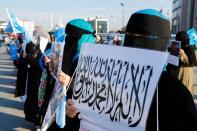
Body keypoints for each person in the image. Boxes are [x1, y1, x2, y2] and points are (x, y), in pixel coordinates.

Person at [123, 9, 197, 131]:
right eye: (132, 36)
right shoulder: (177, 93)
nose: (136, 42)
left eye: (141, 37)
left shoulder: (109, 75)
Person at [47, 19, 96, 131]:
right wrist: (51, 67)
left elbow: (94, 87)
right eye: (68, 36)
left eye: (74, 37)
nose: (69, 40)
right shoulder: (69, 52)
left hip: (78, 115)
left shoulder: (94, 58)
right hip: (62, 109)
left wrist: (71, 82)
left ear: (84, 37)